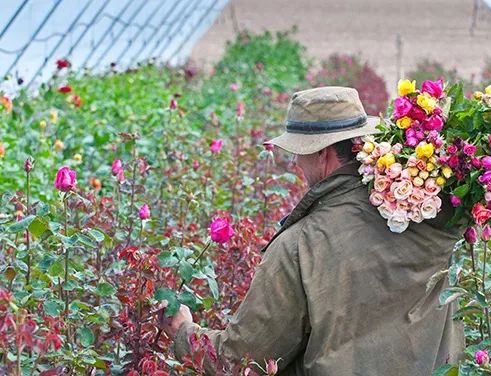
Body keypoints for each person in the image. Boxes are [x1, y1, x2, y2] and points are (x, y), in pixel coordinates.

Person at [160, 86, 464, 375]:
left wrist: (185, 332)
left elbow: (243, 360)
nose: (295, 162)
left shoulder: (300, 246)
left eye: (298, 152)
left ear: (322, 153)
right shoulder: (429, 212)